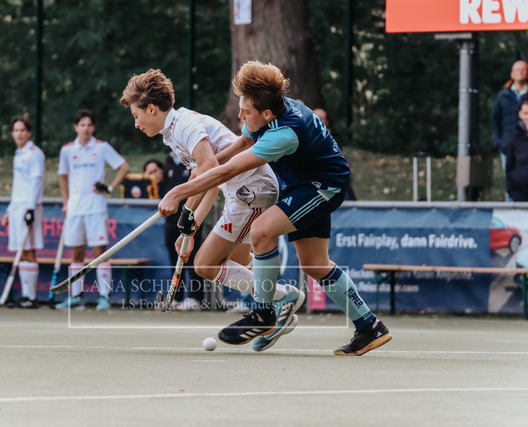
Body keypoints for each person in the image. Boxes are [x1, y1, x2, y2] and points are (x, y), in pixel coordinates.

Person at [159, 61, 392, 356]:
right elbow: (243, 141)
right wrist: (207, 166)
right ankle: (369, 326)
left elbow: (227, 172)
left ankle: (263, 313)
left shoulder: (283, 134)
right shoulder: (267, 108)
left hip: (323, 187)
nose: (240, 115)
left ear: (266, 114)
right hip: (300, 184)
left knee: (261, 232)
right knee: (314, 264)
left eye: (246, 111)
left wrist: (178, 192)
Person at [121, 69, 304, 351]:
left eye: (136, 115)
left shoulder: (184, 126)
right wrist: (189, 228)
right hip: (241, 191)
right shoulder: (172, 132)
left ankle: (282, 297)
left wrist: (181, 203)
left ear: (152, 109)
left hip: (250, 191)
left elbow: (209, 168)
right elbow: (209, 181)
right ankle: (280, 307)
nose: (136, 123)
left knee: (205, 265)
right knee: (237, 262)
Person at [56, 109, 130, 310]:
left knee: (100, 252)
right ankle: (76, 296)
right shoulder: (67, 150)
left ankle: (104, 296)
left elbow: (124, 167)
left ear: (94, 127)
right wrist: (66, 202)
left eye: (89, 125)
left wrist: (110, 187)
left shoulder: (102, 147)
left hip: (96, 208)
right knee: (76, 253)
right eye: (82, 125)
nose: (86, 129)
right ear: (76, 127)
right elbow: (63, 176)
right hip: (75, 209)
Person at [144, 156, 205, 310]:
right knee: (175, 260)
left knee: (192, 259)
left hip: (192, 218)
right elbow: (158, 183)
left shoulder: (194, 158)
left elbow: (208, 183)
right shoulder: (169, 164)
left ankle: (194, 298)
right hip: (171, 221)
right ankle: (176, 298)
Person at [1, 116, 45, 308]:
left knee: (28, 250)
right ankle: (26, 296)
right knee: (21, 250)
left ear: (28, 133)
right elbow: (18, 186)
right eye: (16, 130)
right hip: (17, 208)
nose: (19, 134)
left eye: (22, 130)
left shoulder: (35, 154)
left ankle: (31, 297)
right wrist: (9, 210)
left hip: (29, 208)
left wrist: (30, 209)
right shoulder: (18, 155)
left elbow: (36, 182)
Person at [491, 60, 528, 201]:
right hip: (508, 145)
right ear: (512, 74)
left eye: (523, 69)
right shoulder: (503, 95)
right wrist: (498, 142)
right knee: (511, 181)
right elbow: (495, 119)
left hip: (525, 145)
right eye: (517, 69)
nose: (520, 72)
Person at [312, 108, 356, 201]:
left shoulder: (333, 138)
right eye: (315, 118)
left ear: (327, 121)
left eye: (321, 118)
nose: (318, 121)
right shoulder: (307, 136)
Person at [505, 99, 528, 201]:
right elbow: (509, 164)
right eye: (526, 113)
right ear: (520, 115)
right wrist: (510, 188)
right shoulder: (515, 138)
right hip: (519, 192)